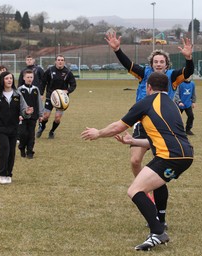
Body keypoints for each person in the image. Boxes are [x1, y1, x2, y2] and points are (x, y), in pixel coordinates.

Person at [81, 72, 193, 251]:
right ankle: (159, 225)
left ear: (148, 87)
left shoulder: (146, 103)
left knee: (135, 190)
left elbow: (118, 126)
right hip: (185, 156)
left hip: (169, 156)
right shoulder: (171, 105)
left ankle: (157, 231)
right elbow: (159, 139)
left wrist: (98, 133)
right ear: (166, 88)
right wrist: (133, 141)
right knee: (153, 185)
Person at [105, 31, 194, 210]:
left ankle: (153, 194)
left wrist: (189, 58)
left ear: (166, 64)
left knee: (159, 164)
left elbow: (188, 72)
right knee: (135, 161)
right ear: (151, 64)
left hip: (162, 127)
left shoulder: (172, 77)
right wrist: (117, 50)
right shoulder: (144, 74)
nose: (158, 64)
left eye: (161, 62)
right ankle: (145, 191)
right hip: (142, 123)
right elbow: (127, 64)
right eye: (156, 62)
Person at [0, 71, 34, 184]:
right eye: (7, 78)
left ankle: (8, 173)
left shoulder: (18, 94)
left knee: (12, 151)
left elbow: (24, 110)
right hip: (0, 128)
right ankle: (1, 173)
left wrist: (27, 112)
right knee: (5, 148)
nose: (9, 80)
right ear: (2, 80)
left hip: (14, 128)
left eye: (11, 78)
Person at [37, 54, 77, 139]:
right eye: (58, 60)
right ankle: (42, 127)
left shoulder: (68, 72)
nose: (60, 61)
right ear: (55, 61)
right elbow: (43, 82)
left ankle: (52, 131)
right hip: (50, 96)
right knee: (45, 116)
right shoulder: (50, 70)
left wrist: (67, 91)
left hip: (62, 99)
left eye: (62, 60)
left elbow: (73, 85)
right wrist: (41, 94)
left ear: (64, 62)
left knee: (57, 118)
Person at [17, 69, 44, 159]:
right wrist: (18, 114)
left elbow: (39, 102)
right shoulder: (20, 90)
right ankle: (21, 148)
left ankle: (30, 152)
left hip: (33, 116)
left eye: (31, 77)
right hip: (22, 117)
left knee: (31, 135)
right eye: (28, 77)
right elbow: (17, 104)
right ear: (24, 78)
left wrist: (40, 115)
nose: (29, 79)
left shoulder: (36, 89)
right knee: (23, 134)